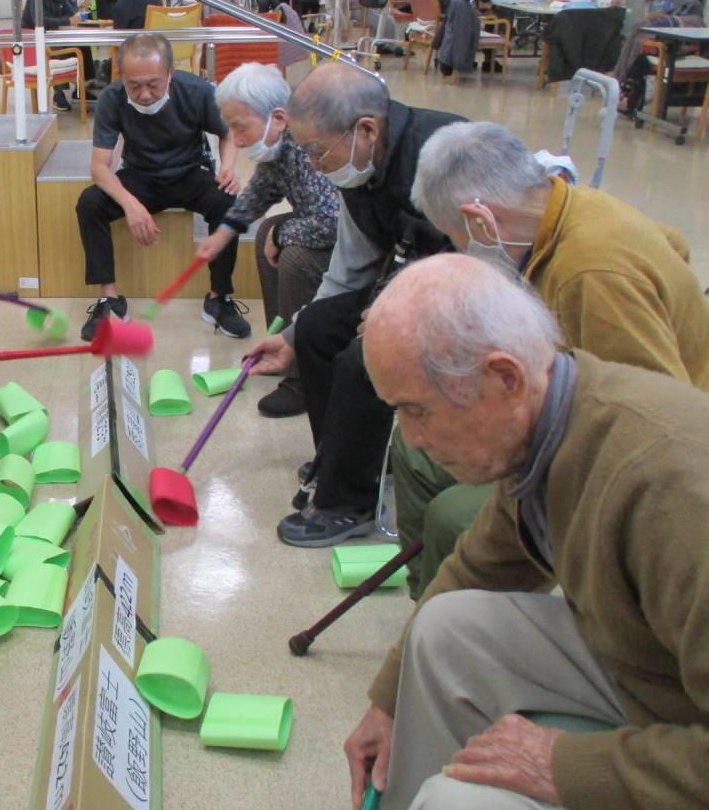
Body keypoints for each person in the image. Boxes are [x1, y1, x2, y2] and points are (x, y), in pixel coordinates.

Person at [345, 253, 709, 810]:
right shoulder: (553, 423)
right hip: (658, 672)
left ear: (504, 378)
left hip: (685, 731)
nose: (410, 439)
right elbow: (475, 570)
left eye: (416, 411)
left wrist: (566, 766)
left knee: (458, 802)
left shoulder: (669, 490)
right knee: (446, 626)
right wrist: (386, 704)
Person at [391, 121, 709, 597]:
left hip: (615, 452)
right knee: (416, 451)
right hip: (560, 399)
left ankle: (470, 624)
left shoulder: (591, 274)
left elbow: (646, 425)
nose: (462, 250)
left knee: (452, 517)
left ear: (480, 220)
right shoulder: (562, 206)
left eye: (456, 237)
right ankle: (430, 605)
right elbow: (673, 244)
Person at [245, 64, 463, 546]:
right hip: (410, 287)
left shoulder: (448, 155)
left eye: (317, 150)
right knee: (321, 327)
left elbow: (490, 263)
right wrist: (291, 335)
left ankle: (351, 504)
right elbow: (348, 271)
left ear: (366, 129)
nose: (315, 166)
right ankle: (342, 461)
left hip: (469, 299)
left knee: (362, 358)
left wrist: (399, 311)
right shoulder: (358, 169)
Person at [76, 32, 250, 340]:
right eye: (135, 85)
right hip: (140, 176)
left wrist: (227, 167)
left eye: (153, 84)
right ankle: (109, 300)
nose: (144, 94)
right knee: (90, 203)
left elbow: (229, 132)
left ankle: (218, 298)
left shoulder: (197, 91)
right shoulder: (111, 99)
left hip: (190, 173)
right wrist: (131, 205)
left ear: (170, 73)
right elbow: (99, 168)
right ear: (122, 77)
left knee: (229, 202)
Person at [197, 62, 339, 416]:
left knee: (295, 255)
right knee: (265, 231)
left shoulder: (309, 144)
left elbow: (333, 223)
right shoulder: (280, 145)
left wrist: (283, 232)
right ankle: (281, 346)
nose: (237, 138)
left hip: (351, 235)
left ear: (278, 117)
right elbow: (260, 191)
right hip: (324, 221)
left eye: (240, 127)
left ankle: (302, 377)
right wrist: (223, 233)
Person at [22, 0, 93, 112]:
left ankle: (82, 88)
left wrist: (77, 17)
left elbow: (69, 12)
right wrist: (68, 21)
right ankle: (58, 94)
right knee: (60, 48)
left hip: (53, 35)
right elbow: (40, 21)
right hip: (35, 40)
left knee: (84, 45)